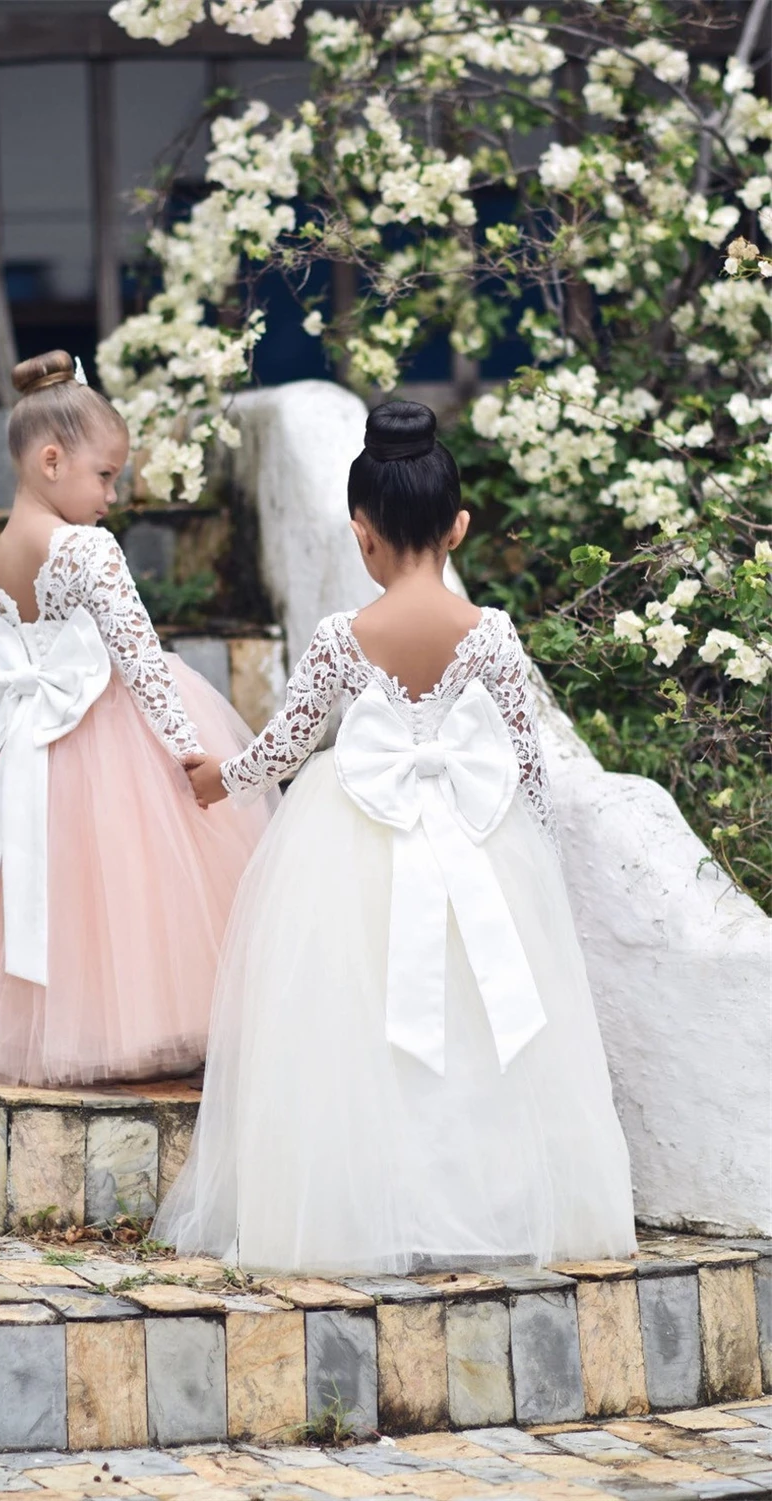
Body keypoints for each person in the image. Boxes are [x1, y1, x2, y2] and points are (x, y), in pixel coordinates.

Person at [156, 399, 637, 1273]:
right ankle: (481, 1204)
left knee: (358, 1026)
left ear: (361, 532)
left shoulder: (344, 636)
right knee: (476, 1035)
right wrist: (540, 875)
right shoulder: (490, 632)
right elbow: (529, 766)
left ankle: (364, 1205)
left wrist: (216, 779)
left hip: (351, 843)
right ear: (458, 526)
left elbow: (287, 743)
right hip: (476, 841)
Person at [0, 350, 273, 1086]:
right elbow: (141, 659)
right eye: (105, 474)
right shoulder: (87, 549)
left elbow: (2, 662)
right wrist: (193, 754)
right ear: (52, 460)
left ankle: (48, 1025)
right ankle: (124, 1024)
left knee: (52, 886)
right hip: (108, 740)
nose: (113, 493)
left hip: (18, 751)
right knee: (115, 891)